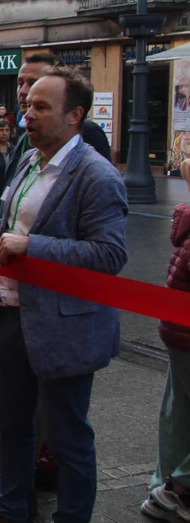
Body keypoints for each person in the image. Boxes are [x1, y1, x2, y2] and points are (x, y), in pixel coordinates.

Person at [0, 67, 128, 523]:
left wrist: (33, 247)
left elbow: (110, 255)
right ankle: (11, 509)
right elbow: (15, 226)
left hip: (65, 326)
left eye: (41, 107)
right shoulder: (30, 161)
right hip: (11, 315)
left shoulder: (96, 175)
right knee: (11, 424)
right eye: (27, 104)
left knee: (68, 437)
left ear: (75, 115)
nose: (27, 114)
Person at [141, 158, 190, 522]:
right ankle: (177, 487)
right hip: (185, 330)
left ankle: (165, 480)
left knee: (178, 408)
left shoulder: (186, 216)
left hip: (176, 327)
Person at [7, 53, 112, 181]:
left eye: (33, 83)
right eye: (20, 83)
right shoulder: (25, 136)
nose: (23, 91)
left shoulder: (87, 133)